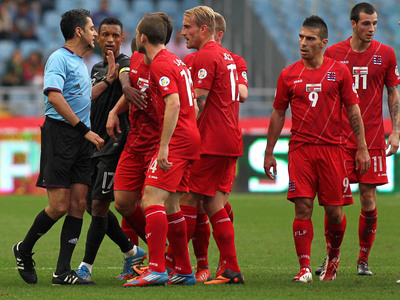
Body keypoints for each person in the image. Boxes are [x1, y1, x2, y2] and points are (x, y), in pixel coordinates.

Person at [264, 15, 371, 283]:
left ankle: (333, 258)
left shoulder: (339, 72)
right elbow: (278, 114)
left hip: (333, 150)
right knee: (302, 207)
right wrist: (269, 152)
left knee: (334, 212)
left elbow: (353, 111)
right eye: (301, 37)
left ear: (323, 42)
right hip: (300, 149)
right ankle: (305, 268)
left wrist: (362, 148)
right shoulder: (288, 74)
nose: (303, 42)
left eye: (309, 39)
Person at [12, 9, 104, 285]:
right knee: (59, 205)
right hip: (61, 135)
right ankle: (24, 249)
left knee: (78, 203)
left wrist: (109, 80)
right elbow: (54, 96)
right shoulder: (58, 58)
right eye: (91, 28)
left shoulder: (80, 62)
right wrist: (85, 130)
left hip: (79, 139)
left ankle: (62, 271)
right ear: (79, 32)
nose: (95, 33)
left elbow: (83, 96)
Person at [316, 2, 400, 277]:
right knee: (334, 203)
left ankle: (363, 260)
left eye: (375, 23)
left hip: (373, 137)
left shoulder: (386, 55)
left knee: (368, 199)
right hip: (338, 139)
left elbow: (392, 93)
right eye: (366, 24)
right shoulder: (333, 53)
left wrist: (396, 130)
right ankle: (332, 257)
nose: (372, 29)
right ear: (353, 24)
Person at [168, 11, 248, 283]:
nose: (183, 32)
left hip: (211, 140)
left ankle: (177, 267)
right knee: (214, 204)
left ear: (204, 29)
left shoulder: (204, 56)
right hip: (230, 138)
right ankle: (231, 269)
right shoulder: (227, 57)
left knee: (188, 199)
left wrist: (180, 139)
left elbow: (198, 104)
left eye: (188, 27)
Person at [122, 13, 200, 287]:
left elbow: (174, 104)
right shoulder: (176, 61)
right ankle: (185, 270)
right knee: (172, 204)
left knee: (151, 199)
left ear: (142, 37)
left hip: (176, 139)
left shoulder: (160, 65)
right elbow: (194, 106)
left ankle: (156, 268)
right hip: (189, 135)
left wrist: (165, 146)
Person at [74, 17, 146, 284]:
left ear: (122, 37)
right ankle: (132, 251)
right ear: (99, 36)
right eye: (105, 35)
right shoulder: (96, 67)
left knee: (101, 206)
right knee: (91, 206)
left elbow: (126, 81)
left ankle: (85, 267)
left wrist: (125, 86)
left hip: (115, 144)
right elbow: (87, 96)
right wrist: (107, 79)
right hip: (94, 143)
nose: (110, 40)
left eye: (115, 35)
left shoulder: (126, 62)